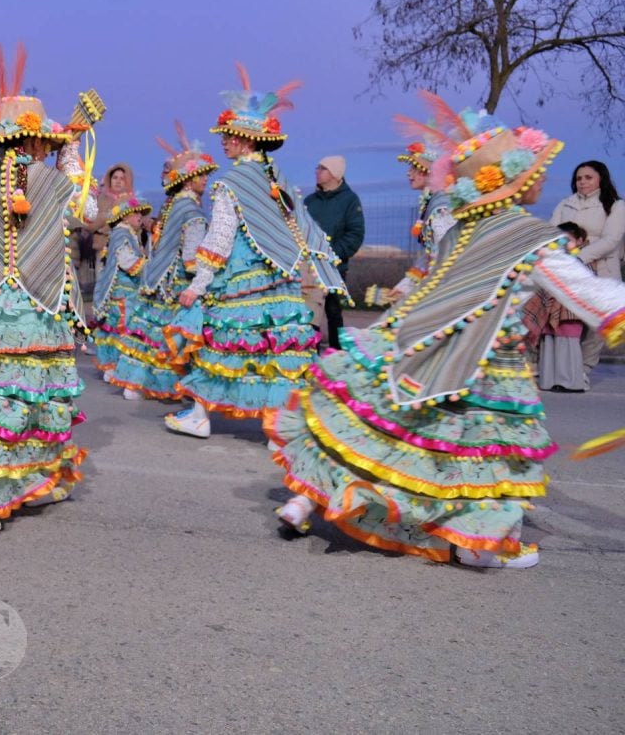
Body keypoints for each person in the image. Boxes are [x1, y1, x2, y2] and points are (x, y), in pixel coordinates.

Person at [266, 100, 625, 569]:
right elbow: (585, 291)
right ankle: (476, 542)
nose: (540, 178)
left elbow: (428, 280)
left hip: (423, 342)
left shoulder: (463, 229)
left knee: (379, 427)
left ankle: (307, 498)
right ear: (513, 181)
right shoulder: (528, 236)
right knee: (484, 453)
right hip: (484, 361)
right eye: (535, 171)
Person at [0, 45, 99, 546]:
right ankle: (17, 485)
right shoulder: (51, 181)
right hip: (36, 306)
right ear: (34, 142)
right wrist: (71, 153)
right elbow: (88, 210)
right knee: (23, 400)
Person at [168, 65, 347, 438]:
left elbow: (219, 238)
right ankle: (280, 425)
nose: (224, 142)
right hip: (278, 281)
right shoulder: (275, 179)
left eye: (229, 138)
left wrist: (198, 283)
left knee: (219, 341)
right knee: (275, 353)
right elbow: (298, 229)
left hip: (240, 278)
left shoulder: (230, 183)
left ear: (246, 142)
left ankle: (200, 415)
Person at [108, 124, 218, 401]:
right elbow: (192, 256)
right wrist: (207, 277)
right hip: (176, 282)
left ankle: (133, 384)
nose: (206, 180)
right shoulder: (191, 210)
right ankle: (174, 387)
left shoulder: (173, 205)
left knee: (149, 331)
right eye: (201, 175)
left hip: (157, 277)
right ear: (189, 178)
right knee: (173, 334)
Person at [551, 160, 625, 385]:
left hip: (602, 268)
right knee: (566, 320)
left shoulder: (615, 205)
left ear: (600, 179)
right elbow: (551, 232)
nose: (582, 182)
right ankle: (561, 369)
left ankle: (583, 368)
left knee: (597, 324)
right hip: (569, 269)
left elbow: (611, 240)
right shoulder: (565, 204)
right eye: (578, 178)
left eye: (588, 177)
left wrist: (580, 257)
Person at [303, 155, 365, 349]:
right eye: (317, 167)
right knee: (308, 309)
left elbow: (355, 234)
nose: (317, 172)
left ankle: (336, 353)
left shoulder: (350, 200)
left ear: (335, 174)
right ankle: (308, 351)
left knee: (333, 310)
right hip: (309, 267)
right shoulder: (310, 201)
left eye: (323, 169)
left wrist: (332, 253)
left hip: (334, 266)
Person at [91, 197, 150, 397]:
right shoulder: (122, 234)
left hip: (124, 291)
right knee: (125, 329)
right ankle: (119, 370)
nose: (139, 217)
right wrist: (147, 266)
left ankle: (111, 367)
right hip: (124, 291)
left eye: (140, 214)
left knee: (114, 329)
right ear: (125, 216)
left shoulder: (128, 233)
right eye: (136, 213)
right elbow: (127, 262)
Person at [385, 140, 454, 305]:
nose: (409, 174)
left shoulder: (441, 208)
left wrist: (420, 290)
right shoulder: (432, 202)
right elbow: (430, 253)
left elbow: (444, 255)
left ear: (430, 171)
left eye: (414, 168)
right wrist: (406, 286)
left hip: (444, 288)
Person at [524, 221, 590, 392]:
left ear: (579, 241)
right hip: (549, 310)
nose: (563, 245)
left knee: (567, 345)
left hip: (569, 313)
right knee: (550, 343)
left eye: (568, 240)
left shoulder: (579, 262)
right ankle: (550, 381)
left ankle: (571, 381)